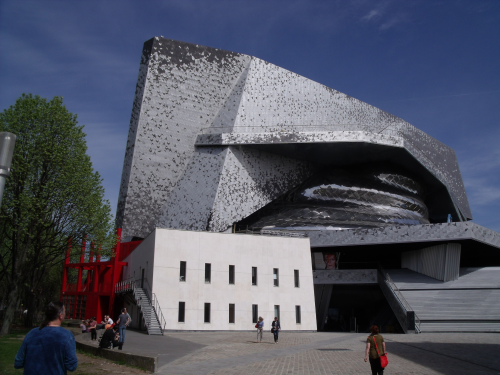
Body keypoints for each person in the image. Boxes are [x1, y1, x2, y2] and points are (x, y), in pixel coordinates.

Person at [14, 301, 78, 374]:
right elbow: (72, 366)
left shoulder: (32, 333)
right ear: (60, 315)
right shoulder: (67, 336)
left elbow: (18, 362)